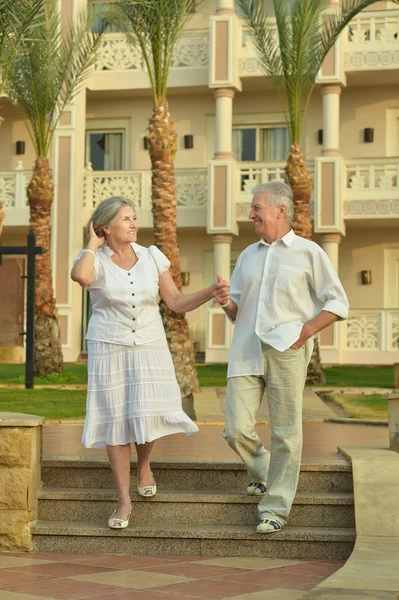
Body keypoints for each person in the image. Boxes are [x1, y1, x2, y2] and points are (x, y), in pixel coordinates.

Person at [71, 196, 229, 530]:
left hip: (149, 343)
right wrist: (90, 242)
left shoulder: (152, 256)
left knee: (144, 409)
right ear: (106, 227)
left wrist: (211, 291)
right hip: (108, 345)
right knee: (114, 417)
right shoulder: (93, 259)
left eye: (133, 218)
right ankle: (124, 499)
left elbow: (175, 301)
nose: (133, 224)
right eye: (125, 219)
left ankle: (144, 465)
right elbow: (81, 278)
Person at [219, 181, 349, 534]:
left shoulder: (309, 253)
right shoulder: (247, 255)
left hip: (287, 350)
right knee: (235, 429)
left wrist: (305, 332)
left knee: (286, 432)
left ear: (281, 210)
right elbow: (237, 309)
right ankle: (264, 471)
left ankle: (274, 509)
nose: (251, 214)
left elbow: (337, 303)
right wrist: (225, 301)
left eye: (256, 208)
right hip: (246, 349)